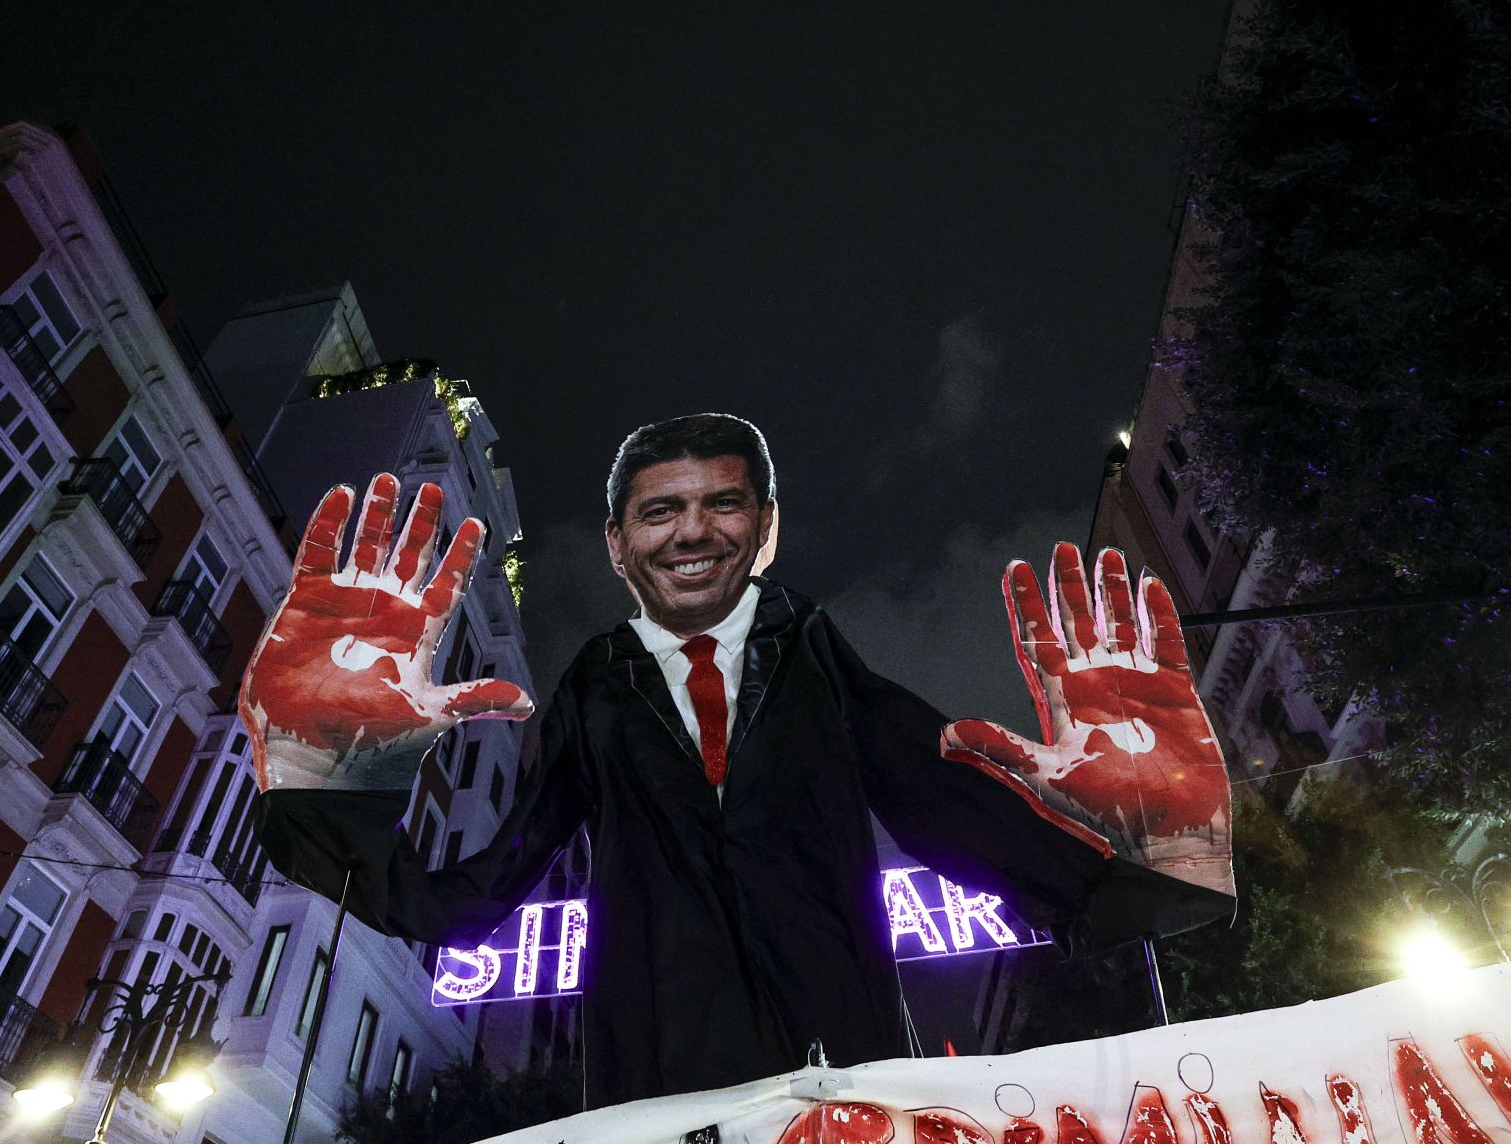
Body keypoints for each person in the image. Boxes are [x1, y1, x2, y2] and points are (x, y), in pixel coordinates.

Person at [247, 414, 1232, 1108]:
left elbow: (940, 796)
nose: (692, 530)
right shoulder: (595, 683)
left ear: (764, 529)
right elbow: (474, 892)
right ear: (616, 544)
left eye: (723, 503)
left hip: (843, 1082)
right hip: (664, 1098)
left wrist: (1143, 866)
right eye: (659, 509)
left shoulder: (811, 648)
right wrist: (319, 779)